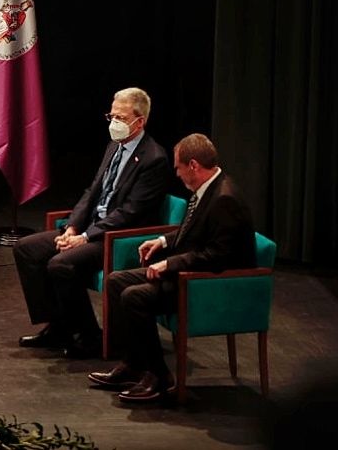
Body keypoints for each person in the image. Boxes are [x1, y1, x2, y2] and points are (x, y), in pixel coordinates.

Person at [88, 134, 257, 405]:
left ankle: (159, 376)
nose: (176, 174)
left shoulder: (225, 199)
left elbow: (217, 255)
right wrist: (164, 241)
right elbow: (195, 229)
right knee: (116, 281)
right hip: (193, 273)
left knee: (134, 296)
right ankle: (133, 364)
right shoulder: (206, 188)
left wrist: (170, 263)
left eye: (178, 168)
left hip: (210, 284)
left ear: (193, 165)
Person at [13, 87, 170, 358]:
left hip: (118, 237)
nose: (114, 123)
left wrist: (85, 238)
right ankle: (59, 326)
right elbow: (92, 191)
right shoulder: (113, 147)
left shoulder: (153, 159)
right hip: (89, 229)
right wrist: (72, 226)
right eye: (111, 116)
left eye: (120, 118)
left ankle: (89, 335)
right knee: (27, 249)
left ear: (139, 121)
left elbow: (129, 213)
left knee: (61, 263)